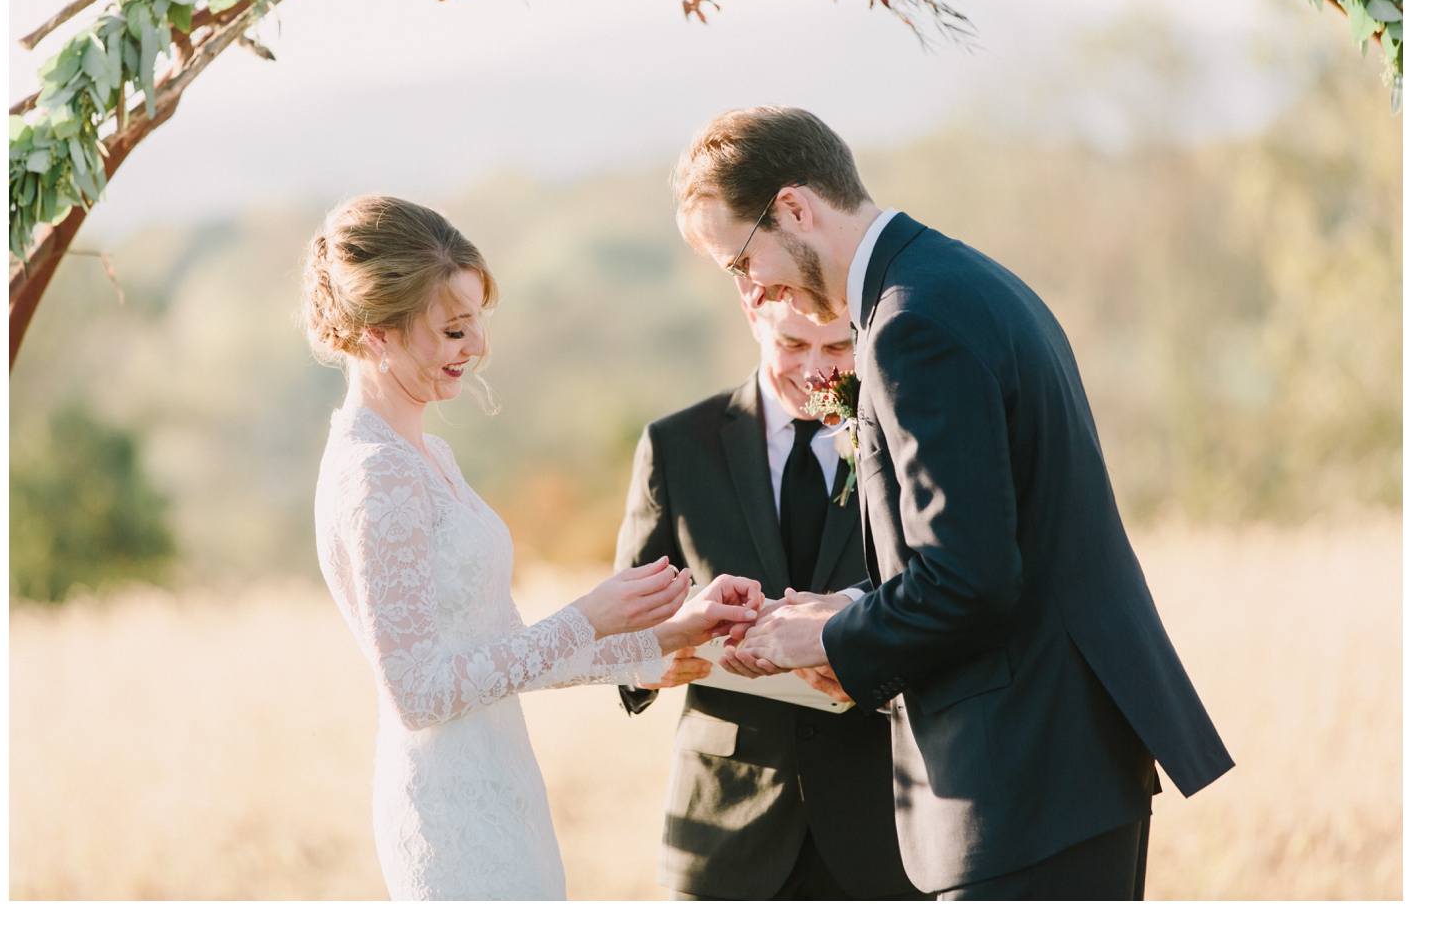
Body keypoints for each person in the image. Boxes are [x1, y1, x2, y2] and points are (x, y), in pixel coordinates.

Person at [672, 107, 1236, 900]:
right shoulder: (953, 280)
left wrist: (829, 637)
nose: (750, 287)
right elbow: (984, 537)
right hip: (1058, 769)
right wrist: (852, 601)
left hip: (1020, 776)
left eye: (739, 258)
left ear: (795, 208)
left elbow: (969, 576)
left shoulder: (912, 324)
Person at [304, 195, 762, 900]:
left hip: (503, 784)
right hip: (451, 815)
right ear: (377, 334)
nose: (477, 346)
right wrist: (588, 615)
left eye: (477, 323)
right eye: (454, 329)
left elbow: (500, 648)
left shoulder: (426, 454)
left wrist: (662, 639)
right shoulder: (377, 475)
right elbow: (419, 693)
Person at [615, 298, 929, 901]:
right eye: (792, 344)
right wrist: (653, 657)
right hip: (727, 826)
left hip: (887, 817)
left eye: (837, 348)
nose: (816, 369)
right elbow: (623, 623)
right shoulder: (676, 444)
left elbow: (936, 586)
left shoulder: (902, 441)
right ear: (753, 317)